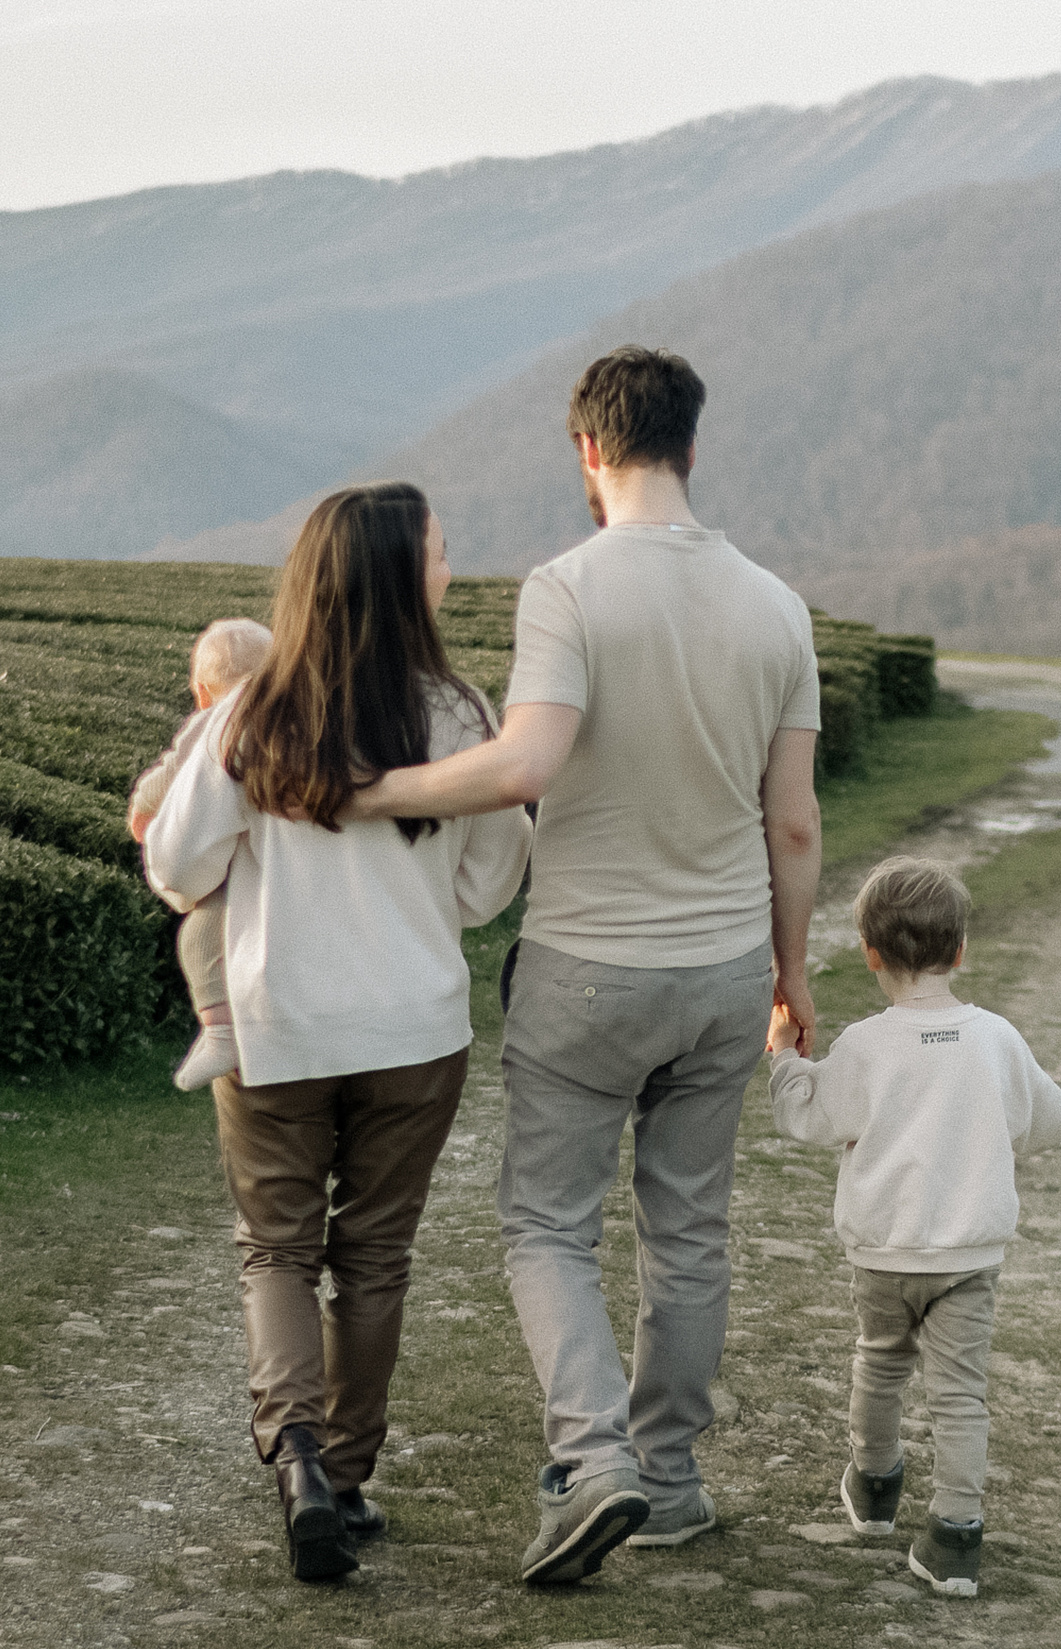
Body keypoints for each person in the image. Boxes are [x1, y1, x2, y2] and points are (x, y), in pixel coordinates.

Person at [345, 346, 824, 1584]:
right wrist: (793, 975)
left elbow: (522, 767)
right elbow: (796, 824)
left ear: (586, 451)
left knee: (547, 1225)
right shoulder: (777, 606)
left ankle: (591, 1454)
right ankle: (667, 1480)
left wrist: (370, 790)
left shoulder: (565, 588)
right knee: (690, 1228)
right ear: (692, 448)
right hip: (723, 971)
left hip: (587, 968)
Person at [143, 482, 532, 1583]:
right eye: (441, 555)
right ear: (403, 579)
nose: (450, 570)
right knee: (373, 1256)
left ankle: (296, 1457)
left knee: (276, 1248)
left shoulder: (249, 711)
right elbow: (492, 880)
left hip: (281, 1025)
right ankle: (349, 1477)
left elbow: (175, 868)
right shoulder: (457, 714)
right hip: (413, 1026)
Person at [766, 856, 1061, 1597]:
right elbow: (1050, 1121)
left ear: (871, 954)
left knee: (880, 1363)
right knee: (960, 1392)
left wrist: (782, 1057)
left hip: (884, 1253)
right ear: (961, 949)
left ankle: (874, 1491)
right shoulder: (996, 1037)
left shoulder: (868, 1044)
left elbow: (808, 1114)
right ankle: (956, 1534)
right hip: (968, 1257)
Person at [129, 616, 275, 1091]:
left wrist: (142, 805)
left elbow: (170, 774)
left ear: (201, 691)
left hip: (231, 861)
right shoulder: (284, 717)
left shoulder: (210, 722)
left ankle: (219, 1031)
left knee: (199, 937)